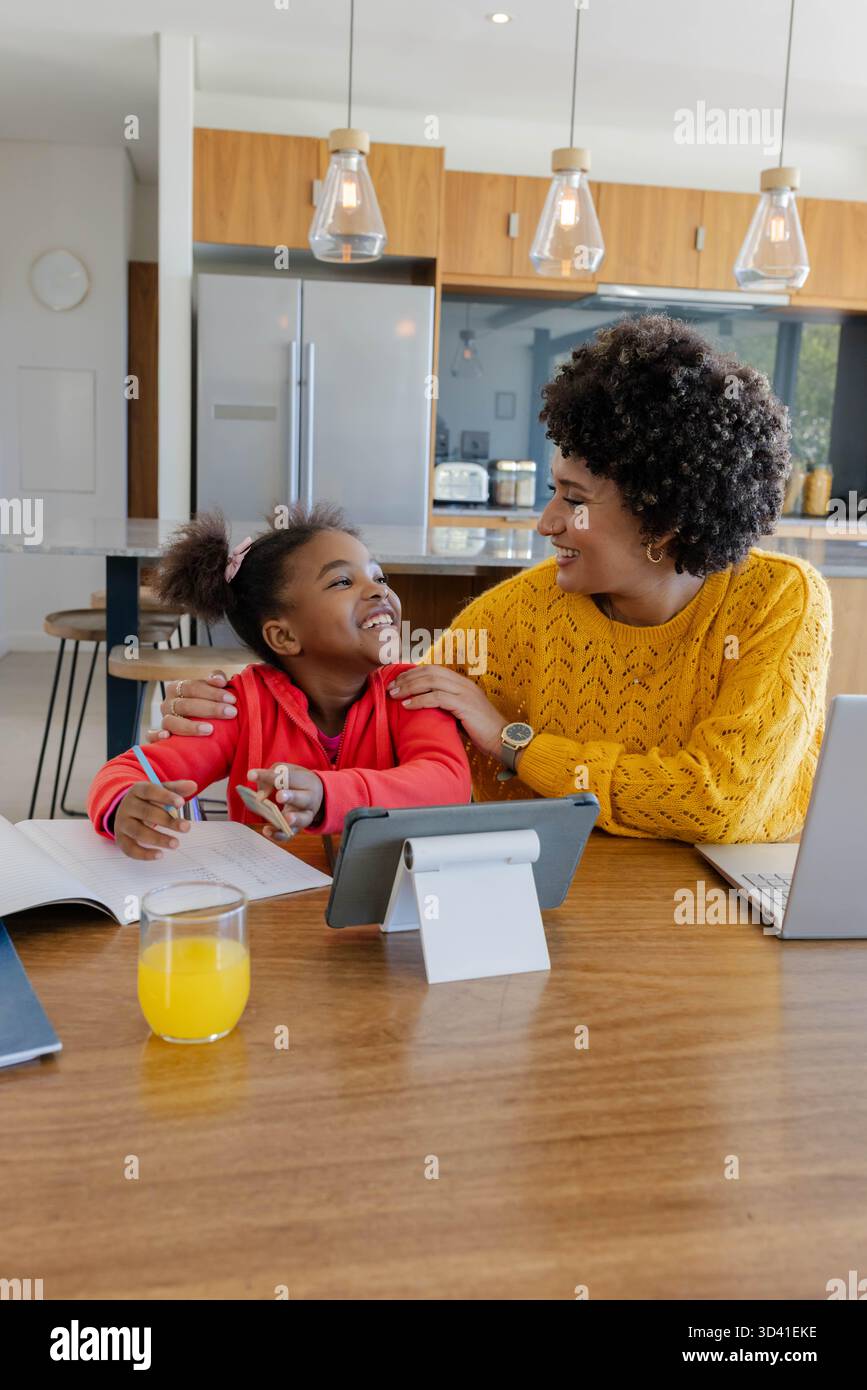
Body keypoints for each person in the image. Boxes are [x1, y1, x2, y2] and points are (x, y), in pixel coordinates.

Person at [150, 315, 831, 845]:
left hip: (726, 899)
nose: (546, 523)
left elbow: (716, 801)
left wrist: (515, 743)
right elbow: (376, 719)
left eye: (574, 499)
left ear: (664, 520)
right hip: (544, 895)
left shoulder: (778, 601)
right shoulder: (508, 617)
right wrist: (230, 708)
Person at [87, 506, 471, 860]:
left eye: (378, 576)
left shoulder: (413, 691)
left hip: (389, 900)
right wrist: (123, 803)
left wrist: (328, 795)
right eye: (342, 581)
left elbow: (448, 785)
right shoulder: (238, 706)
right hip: (271, 908)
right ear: (284, 637)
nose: (378, 590)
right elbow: (131, 771)